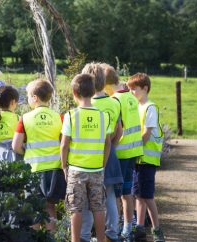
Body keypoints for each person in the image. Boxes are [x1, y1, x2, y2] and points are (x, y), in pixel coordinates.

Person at [60, 73, 111, 242]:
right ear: (94, 90)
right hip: (97, 169)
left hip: (76, 169)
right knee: (98, 207)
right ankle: (102, 239)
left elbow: (64, 145)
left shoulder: (70, 116)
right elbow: (108, 143)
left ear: (75, 93)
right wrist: (102, 164)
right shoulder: (104, 116)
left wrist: (64, 166)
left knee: (76, 208)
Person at [12, 79, 66, 232]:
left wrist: (26, 152)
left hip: (34, 169)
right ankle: (52, 237)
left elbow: (16, 146)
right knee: (50, 207)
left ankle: (34, 237)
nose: (27, 99)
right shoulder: (59, 117)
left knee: (34, 207)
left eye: (28, 96)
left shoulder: (25, 118)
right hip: (55, 169)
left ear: (35, 97)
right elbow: (64, 143)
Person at [80, 62, 123, 242]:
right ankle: (112, 232)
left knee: (91, 197)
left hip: (91, 155)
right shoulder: (114, 102)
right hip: (110, 152)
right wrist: (111, 145)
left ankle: (87, 233)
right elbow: (119, 130)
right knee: (111, 194)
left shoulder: (88, 105)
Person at [101, 63, 143, 241]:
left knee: (116, 194)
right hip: (134, 150)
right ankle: (128, 227)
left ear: (105, 84)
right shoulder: (131, 97)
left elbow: (117, 128)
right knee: (128, 192)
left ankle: (117, 228)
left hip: (121, 152)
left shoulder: (115, 100)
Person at [127, 73, 165, 242]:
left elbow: (146, 134)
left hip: (147, 160)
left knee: (147, 196)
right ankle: (140, 228)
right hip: (138, 159)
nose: (131, 92)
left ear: (145, 88)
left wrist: (131, 147)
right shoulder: (136, 107)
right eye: (129, 89)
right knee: (138, 195)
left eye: (134, 89)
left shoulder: (150, 107)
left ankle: (157, 230)